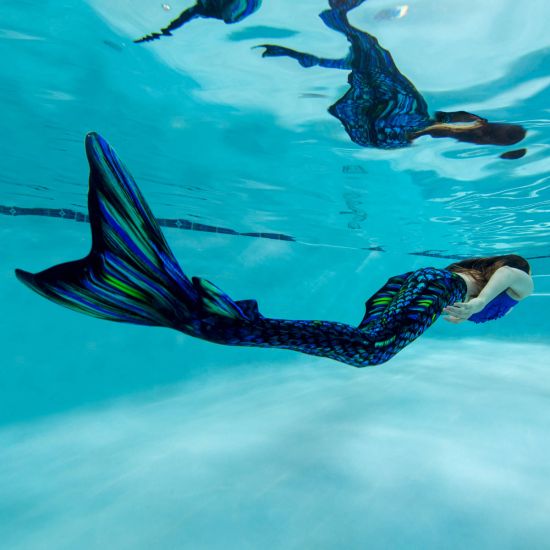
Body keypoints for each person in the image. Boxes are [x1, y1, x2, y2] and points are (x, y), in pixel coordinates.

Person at [16, 134, 533, 368]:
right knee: (370, 351)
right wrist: (474, 302)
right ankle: (229, 322)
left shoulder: (465, 282)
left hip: (414, 284)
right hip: (436, 283)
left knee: (364, 344)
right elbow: (513, 271)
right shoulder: (519, 281)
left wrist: (462, 309)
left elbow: (464, 301)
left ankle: (228, 320)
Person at [258, 0, 527, 155]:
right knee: (368, 61)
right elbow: (439, 124)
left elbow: (436, 126)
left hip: (392, 128)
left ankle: (338, 17)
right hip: (387, 130)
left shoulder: (415, 112)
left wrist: (461, 125)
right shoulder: (432, 117)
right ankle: (334, 25)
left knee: (370, 57)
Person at [134, 0, 262, 43]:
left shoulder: (205, 9)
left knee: (195, 11)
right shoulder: (203, 9)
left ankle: (163, 32)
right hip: (226, 11)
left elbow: (227, 15)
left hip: (228, 11)